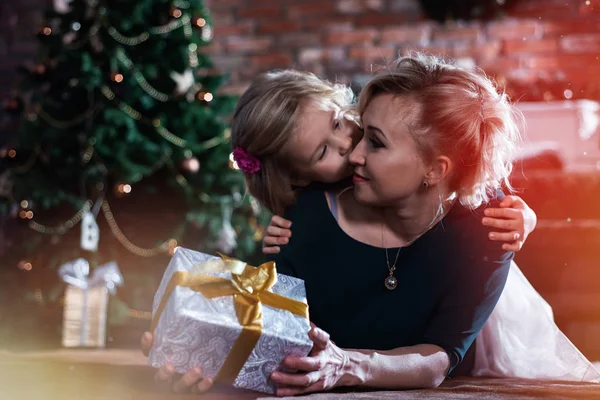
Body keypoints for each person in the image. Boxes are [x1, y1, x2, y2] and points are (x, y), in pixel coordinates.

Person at [140, 57, 594, 394]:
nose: (352, 148)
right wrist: (204, 347)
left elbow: (442, 356)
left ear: (435, 170)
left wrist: (525, 217)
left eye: (368, 138)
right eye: (327, 152)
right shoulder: (303, 219)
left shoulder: (489, 223)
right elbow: (278, 336)